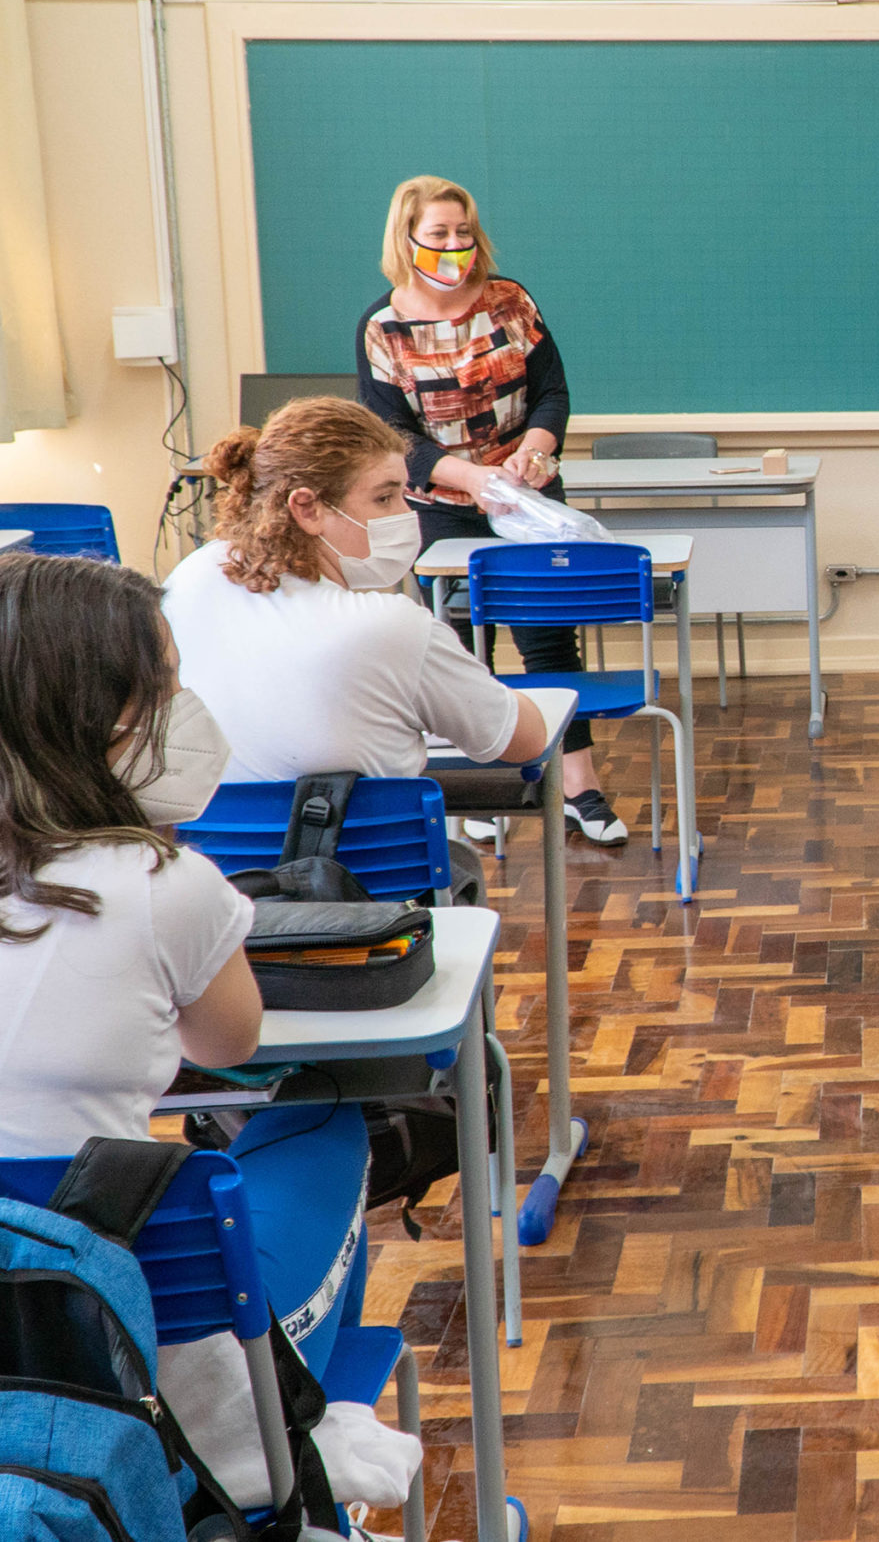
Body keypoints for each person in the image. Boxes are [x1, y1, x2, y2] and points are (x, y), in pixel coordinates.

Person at [0, 550, 419, 1513]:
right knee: (324, 1123)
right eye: (169, 686)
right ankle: (296, 1457)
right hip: (127, 1330)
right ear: (109, 717)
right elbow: (229, 1045)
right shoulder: (163, 886)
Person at [355, 172, 627, 844]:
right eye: (439, 233)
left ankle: (579, 787)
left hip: (527, 495)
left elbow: (552, 391)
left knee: (548, 636)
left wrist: (536, 446)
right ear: (408, 238)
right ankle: (487, 783)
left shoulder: (509, 300)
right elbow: (394, 437)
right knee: (464, 646)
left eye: (463, 232)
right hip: (441, 504)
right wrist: (470, 479)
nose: (454, 245)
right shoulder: (384, 327)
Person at [162, 396, 551, 803]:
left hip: (213, 858)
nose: (406, 514)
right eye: (384, 498)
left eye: (403, 494)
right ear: (307, 508)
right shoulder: (391, 627)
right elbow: (523, 742)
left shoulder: (188, 577)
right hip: (357, 864)